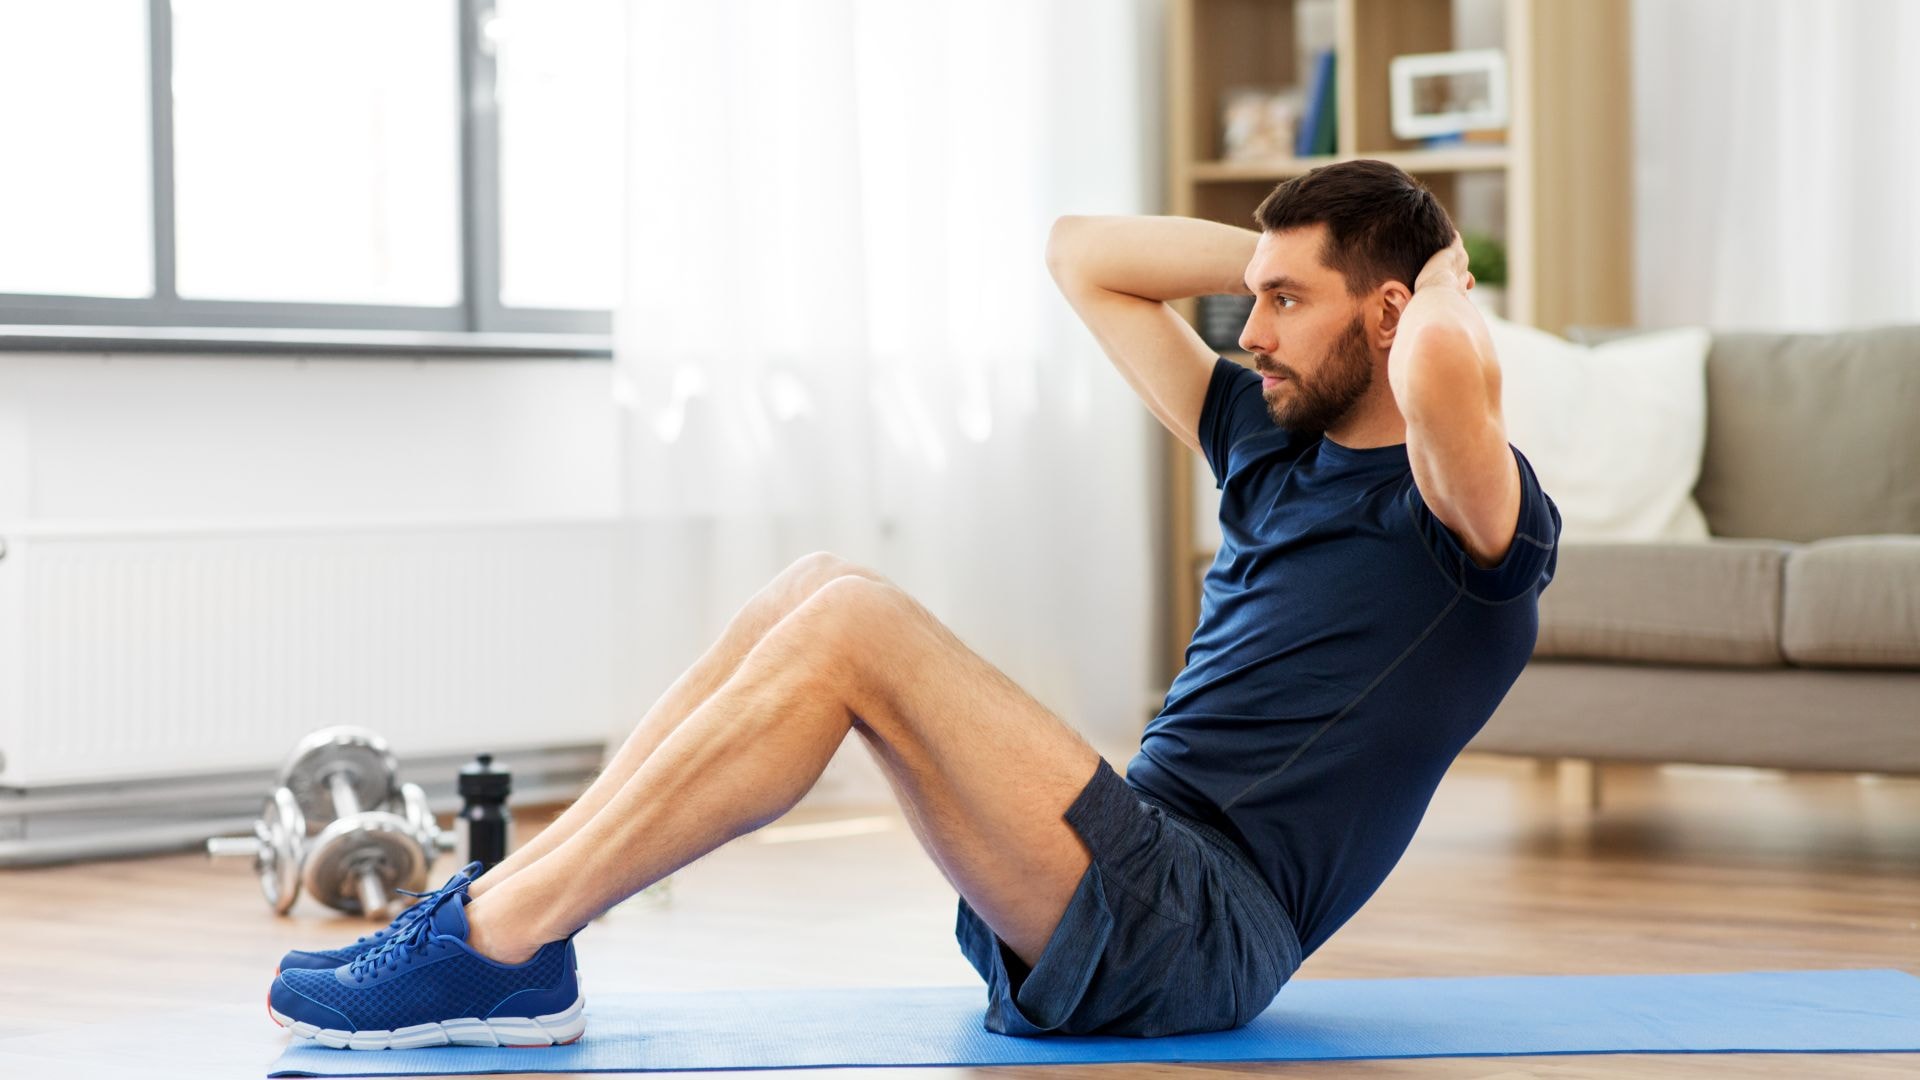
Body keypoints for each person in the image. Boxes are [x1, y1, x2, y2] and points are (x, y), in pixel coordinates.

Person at [266, 158, 1560, 1049]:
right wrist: (1296, 254)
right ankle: (504, 913)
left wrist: (1426, 269)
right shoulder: (1274, 444)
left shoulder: (1465, 516)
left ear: (1388, 315)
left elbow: (1447, 362)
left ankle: (498, 950)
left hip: (1201, 932)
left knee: (858, 627)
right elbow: (1085, 255)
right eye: (1254, 297)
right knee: (817, 587)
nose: (1252, 328)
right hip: (1106, 879)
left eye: (1285, 302)